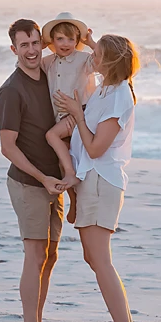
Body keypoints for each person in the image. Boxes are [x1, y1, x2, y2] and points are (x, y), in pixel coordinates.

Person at [54, 34, 141, 322]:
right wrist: (92, 42)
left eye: (97, 54)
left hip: (101, 179)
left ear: (111, 62)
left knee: (100, 260)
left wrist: (77, 113)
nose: (91, 56)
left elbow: (94, 148)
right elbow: (111, 55)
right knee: (93, 257)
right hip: (91, 179)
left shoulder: (118, 95)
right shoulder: (107, 86)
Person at [0, 19, 65, 322]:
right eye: (24, 45)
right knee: (35, 254)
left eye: (36, 43)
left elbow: (75, 57)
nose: (32, 50)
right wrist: (43, 178)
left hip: (54, 182)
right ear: (14, 49)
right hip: (28, 181)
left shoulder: (49, 76)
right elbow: (7, 147)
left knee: (50, 256)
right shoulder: (11, 91)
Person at [40, 12, 98, 225]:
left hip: (79, 112)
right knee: (62, 160)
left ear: (77, 41)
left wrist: (91, 42)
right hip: (60, 117)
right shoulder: (49, 62)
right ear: (52, 42)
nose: (65, 43)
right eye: (60, 39)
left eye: (71, 39)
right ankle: (74, 201)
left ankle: (72, 176)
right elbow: (26, 66)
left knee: (52, 136)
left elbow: (104, 60)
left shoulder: (83, 59)